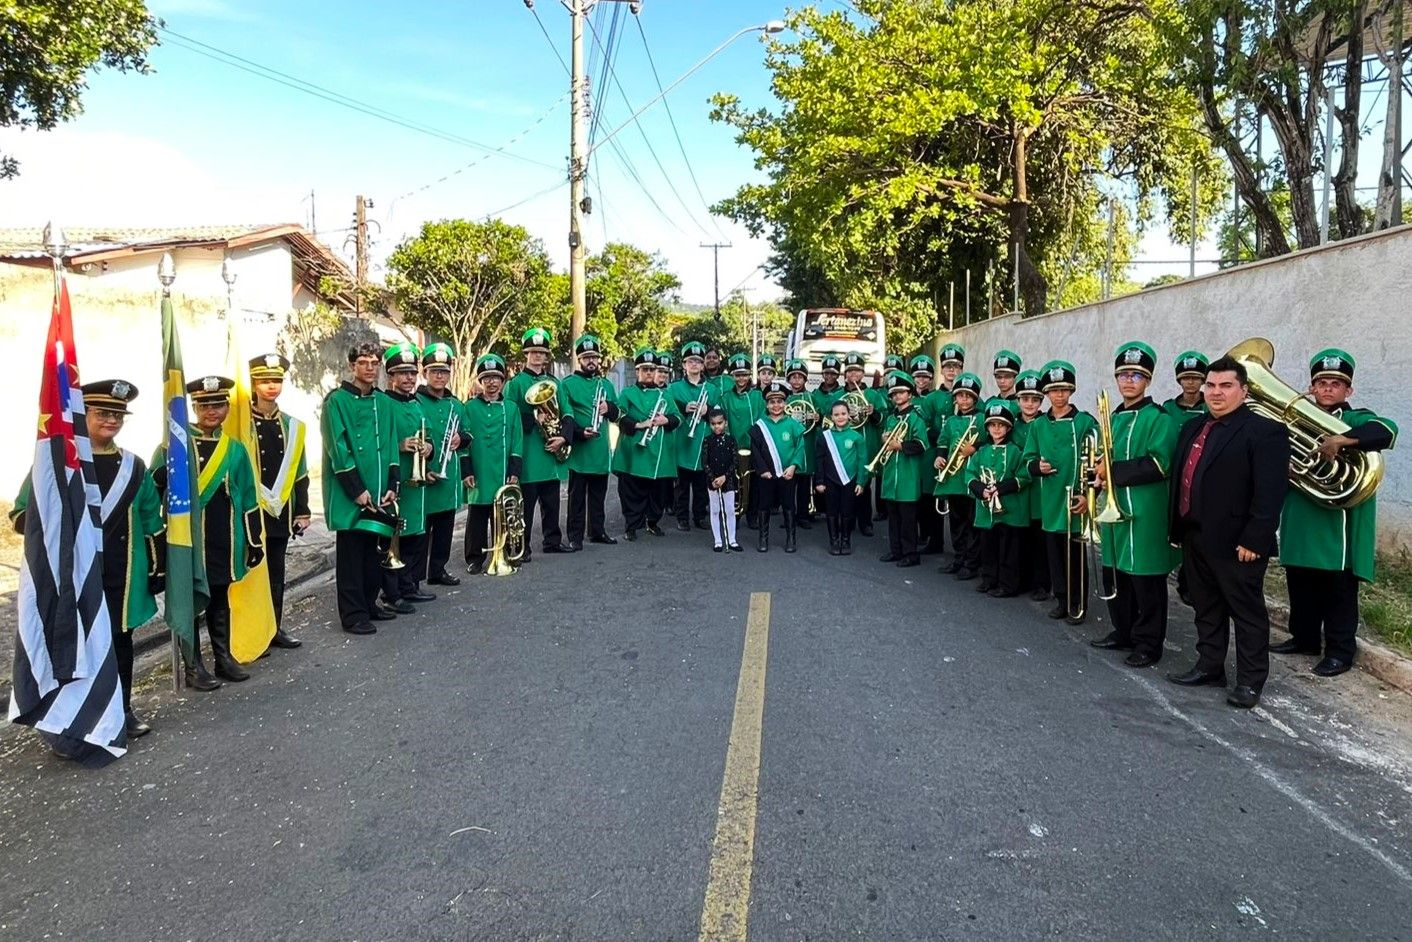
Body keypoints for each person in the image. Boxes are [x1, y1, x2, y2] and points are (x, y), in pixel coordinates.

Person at [11, 379, 163, 736]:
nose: (111, 421)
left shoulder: (135, 467)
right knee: (75, 647)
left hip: (120, 574)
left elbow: (151, 522)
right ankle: (74, 717)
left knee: (119, 645)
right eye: (103, 413)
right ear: (84, 415)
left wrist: (157, 570)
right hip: (73, 578)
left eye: (118, 415)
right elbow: (22, 516)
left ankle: (122, 710)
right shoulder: (58, 463)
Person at [1166, 355, 1289, 709]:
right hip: (1195, 533)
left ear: (1244, 391)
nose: (1216, 393)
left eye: (1226, 386)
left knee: (1246, 613)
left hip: (1238, 542)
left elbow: (1270, 492)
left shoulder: (1265, 431)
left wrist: (1256, 538)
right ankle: (1209, 666)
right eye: (1211, 385)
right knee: (1205, 607)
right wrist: (1177, 528)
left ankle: (1250, 682)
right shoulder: (1193, 427)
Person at [1274, 349, 1397, 677]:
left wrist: (1343, 440)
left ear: (1348, 391)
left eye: (1336, 384)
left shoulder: (1356, 419)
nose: (1327, 389)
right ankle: (1304, 639)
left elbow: (1387, 431)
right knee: (1299, 582)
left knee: (1337, 591)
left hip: (1335, 526)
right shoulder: (1295, 420)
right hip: (1299, 517)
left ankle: (1341, 652)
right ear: (1312, 387)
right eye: (1321, 383)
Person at [1089, 342, 1180, 668]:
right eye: (1123, 375)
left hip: (1145, 512)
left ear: (1148, 380)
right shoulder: (1111, 417)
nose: (1129, 381)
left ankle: (1148, 643)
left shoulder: (1159, 418)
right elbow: (1102, 458)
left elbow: (1159, 464)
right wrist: (1097, 475)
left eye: (1137, 376)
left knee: (1146, 580)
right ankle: (1123, 631)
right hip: (1114, 511)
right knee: (1117, 574)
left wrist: (1109, 471)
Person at [179, 375, 264, 683]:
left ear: (227, 407)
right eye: (204, 404)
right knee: (189, 602)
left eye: (218, 404)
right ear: (193, 406)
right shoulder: (176, 445)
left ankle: (222, 659)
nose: (211, 411)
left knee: (219, 596)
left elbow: (249, 497)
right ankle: (193, 666)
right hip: (190, 538)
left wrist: (254, 542)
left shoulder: (235, 449)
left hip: (224, 537)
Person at [321, 343, 399, 636]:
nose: (370, 367)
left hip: (380, 490)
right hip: (351, 493)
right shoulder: (336, 402)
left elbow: (391, 443)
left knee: (374, 551)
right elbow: (337, 450)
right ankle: (353, 614)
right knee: (352, 555)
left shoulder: (385, 402)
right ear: (352, 366)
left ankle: (369, 603)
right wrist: (357, 490)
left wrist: (393, 484)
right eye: (363, 362)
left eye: (374, 362)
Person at [1019, 361, 1098, 624]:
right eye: (1053, 391)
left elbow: (1097, 460)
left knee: (1075, 557)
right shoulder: (1038, 425)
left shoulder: (1085, 421)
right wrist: (1036, 467)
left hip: (1077, 498)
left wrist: (1088, 494)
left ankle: (1078, 604)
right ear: (1047, 394)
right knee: (1054, 554)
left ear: (1071, 391)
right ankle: (1062, 599)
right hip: (1051, 499)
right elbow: (1027, 459)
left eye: (1064, 390)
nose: (1059, 395)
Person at [247, 353, 309, 649]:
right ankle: (248, 632)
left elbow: (300, 471)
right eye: (264, 381)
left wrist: (303, 510)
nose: (271, 386)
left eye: (276, 380)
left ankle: (275, 628)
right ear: (254, 383)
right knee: (248, 574)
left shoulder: (292, 426)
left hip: (280, 511)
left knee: (275, 572)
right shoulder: (241, 424)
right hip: (249, 511)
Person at [505, 326, 575, 557]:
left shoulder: (555, 383)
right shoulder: (515, 384)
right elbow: (507, 416)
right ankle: (521, 547)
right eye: (533, 352)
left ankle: (552, 542)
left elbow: (567, 413)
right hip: (528, 453)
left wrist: (563, 437)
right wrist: (534, 418)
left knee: (552, 503)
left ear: (546, 356)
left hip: (550, 452)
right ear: (526, 354)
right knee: (525, 506)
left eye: (541, 352)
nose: (537, 356)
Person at [380, 343, 435, 612]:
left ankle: (409, 585)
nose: (409, 378)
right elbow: (377, 441)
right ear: (390, 375)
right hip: (396, 480)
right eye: (402, 373)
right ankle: (391, 593)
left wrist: (429, 448)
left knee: (415, 536)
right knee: (394, 538)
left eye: (412, 373)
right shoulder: (383, 403)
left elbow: (431, 437)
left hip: (418, 484)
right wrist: (399, 445)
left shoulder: (417, 403)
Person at [462, 354, 523, 573]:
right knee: (476, 516)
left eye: (496, 377)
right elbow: (464, 440)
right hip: (478, 469)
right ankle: (474, 558)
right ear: (481, 380)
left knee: (504, 516)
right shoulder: (469, 407)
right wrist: (466, 470)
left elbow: (517, 440)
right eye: (487, 377)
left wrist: (515, 470)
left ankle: (507, 553)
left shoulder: (511, 408)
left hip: (503, 471)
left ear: (503, 381)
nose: (492, 382)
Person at [559, 334, 620, 551]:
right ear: (579, 359)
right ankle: (575, 536)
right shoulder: (567, 384)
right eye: (586, 357)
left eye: (594, 356)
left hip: (600, 450)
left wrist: (609, 409)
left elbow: (618, 413)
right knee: (576, 498)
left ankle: (597, 531)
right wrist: (578, 432)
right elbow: (564, 415)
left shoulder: (605, 384)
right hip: (579, 450)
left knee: (598, 495)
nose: (591, 361)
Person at [613, 348, 680, 541]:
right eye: (645, 369)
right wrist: (638, 424)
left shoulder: (665, 395)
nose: (649, 373)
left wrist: (665, 420)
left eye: (652, 369)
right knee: (632, 490)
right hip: (634, 450)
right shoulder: (627, 393)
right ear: (637, 371)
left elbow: (677, 418)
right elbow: (619, 416)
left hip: (660, 453)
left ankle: (652, 522)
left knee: (658, 491)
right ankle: (632, 525)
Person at [416, 342, 467, 586]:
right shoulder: (414, 401)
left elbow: (469, 434)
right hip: (424, 477)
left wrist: (461, 437)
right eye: (434, 371)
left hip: (448, 478)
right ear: (424, 372)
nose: (439, 376)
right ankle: (414, 578)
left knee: (445, 527)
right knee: (420, 532)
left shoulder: (456, 404)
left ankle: (438, 570)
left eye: (444, 371)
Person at [966, 400, 1027, 597]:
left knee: (1008, 549)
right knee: (988, 546)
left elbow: (1024, 477)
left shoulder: (1016, 451)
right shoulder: (981, 451)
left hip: (1010, 509)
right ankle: (989, 579)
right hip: (986, 509)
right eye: (993, 425)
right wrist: (981, 489)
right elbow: (970, 474)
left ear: (1008, 428)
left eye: (1001, 425)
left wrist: (1000, 488)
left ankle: (1008, 585)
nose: (997, 429)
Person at [875, 370, 928, 567]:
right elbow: (886, 440)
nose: (897, 396)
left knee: (908, 519)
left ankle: (911, 554)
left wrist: (900, 446)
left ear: (910, 394)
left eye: (902, 392)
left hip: (907, 476)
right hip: (891, 475)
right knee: (893, 517)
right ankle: (895, 550)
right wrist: (885, 439)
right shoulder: (891, 418)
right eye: (894, 393)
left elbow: (922, 445)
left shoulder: (916, 418)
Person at [934, 372, 985, 579]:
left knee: (973, 522)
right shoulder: (952, 421)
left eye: (968, 396)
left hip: (972, 477)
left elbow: (992, 440)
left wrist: (974, 448)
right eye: (960, 396)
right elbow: (943, 441)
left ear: (975, 398)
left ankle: (972, 564)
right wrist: (939, 458)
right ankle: (959, 558)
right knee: (956, 522)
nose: (963, 400)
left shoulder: (981, 418)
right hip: (954, 479)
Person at [749, 380, 806, 552]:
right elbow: (755, 450)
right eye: (772, 402)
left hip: (787, 473)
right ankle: (763, 538)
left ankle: (791, 539)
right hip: (767, 474)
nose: (776, 405)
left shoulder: (793, 424)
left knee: (789, 505)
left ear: (785, 403)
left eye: (780, 401)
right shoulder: (760, 426)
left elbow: (800, 447)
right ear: (766, 404)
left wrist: (794, 466)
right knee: (764, 504)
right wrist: (763, 470)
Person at [668, 341, 717, 532]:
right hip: (683, 439)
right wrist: (683, 407)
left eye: (698, 361)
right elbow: (668, 408)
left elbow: (719, 414)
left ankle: (699, 516)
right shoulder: (674, 388)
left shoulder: (711, 389)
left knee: (701, 484)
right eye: (691, 361)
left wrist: (707, 410)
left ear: (703, 364)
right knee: (681, 484)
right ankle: (682, 517)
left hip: (702, 439)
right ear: (684, 365)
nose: (694, 365)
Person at [1011, 369, 1050, 600]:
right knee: (1019, 539)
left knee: (1039, 540)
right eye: (1025, 399)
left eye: (1035, 399)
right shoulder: (1009, 424)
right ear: (1018, 400)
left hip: (1039, 491)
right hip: (1016, 490)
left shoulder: (1046, 424)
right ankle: (1021, 580)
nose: (1029, 404)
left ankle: (1041, 584)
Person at [815, 399, 867, 555]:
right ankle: (834, 541)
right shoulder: (824, 436)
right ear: (831, 417)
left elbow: (862, 460)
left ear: (849, 415)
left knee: (847, 511)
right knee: (831, 511)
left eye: (843, 414)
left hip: (849, 480)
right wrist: (819, 480)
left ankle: (846, 540)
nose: (840, 417)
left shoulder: (857, 437)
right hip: (830, 479)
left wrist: (861, 481)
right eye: (836, 414)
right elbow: (819, 460)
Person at [843, 352, 885, 535]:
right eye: (850, 371)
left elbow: (884, 419)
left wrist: (873, 413)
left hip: (865, 445)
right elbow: (830, 419)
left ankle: (865, 522)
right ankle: (848, 520)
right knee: (847, 485)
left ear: (862, 374)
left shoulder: (873, 395)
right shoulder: (839, 395)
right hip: (845, 446)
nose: (853, 375)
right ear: (845, 375)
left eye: (857, 372)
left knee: (864, 485)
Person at [721, 353, 764, 527]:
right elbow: (723, 421)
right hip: (734, 444)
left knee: (754, 483)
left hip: (753, 445)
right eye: (737, 375)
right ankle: (735, 514)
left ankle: (752, 515)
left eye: (745, 374)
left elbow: (762, 418)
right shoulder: (725, 397)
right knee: (734, 483)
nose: (741, 378)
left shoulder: (757, 396)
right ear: (732, 376)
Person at [701, 408, 743, 552]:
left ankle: (732, 539)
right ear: (710, 425)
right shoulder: (707, 441)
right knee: (714, 510)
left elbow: (735, 461)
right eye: (713, 424)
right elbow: (704, 463)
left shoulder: (731, 440)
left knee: (730, 510)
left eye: (720, 423)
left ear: (725, 423)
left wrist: (725, 476)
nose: (717, 426)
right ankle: (718, 540)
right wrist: (713, 478)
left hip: (728, 480)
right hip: (713, 481)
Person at [784, 358, 818, 528]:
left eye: (800, 377)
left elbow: (823, 418)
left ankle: (803, 515)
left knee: (804, 483)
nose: (796, 380)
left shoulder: (812, 397)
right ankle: (788, 515)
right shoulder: (785, 399)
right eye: (793, 377)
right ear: (788, 380)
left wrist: (817, 419)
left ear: (805, 379)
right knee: (789, 484)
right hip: (790, 445)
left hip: (807, 443)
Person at [648, 349, 678, 533]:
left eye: (666, 372)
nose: (662, 376)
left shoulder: (670, 392)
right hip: (647, 445)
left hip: (666, 444)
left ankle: (655, 518)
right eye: (660, 371)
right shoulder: (645, 391)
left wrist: (668, 420)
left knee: (663, 485)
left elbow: (677, 416)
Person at [1163, 351, 1210, 425]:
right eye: (1186, 378)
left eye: (1196, 378)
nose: (1190, 382)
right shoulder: (1169, 408)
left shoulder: (1210, 405)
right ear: (1179, 381)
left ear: (1203, 381)